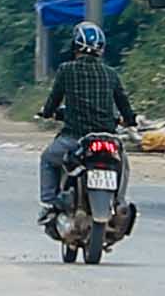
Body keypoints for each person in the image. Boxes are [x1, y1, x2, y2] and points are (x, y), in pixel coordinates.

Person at [38, 19, 132, 230]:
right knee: (123, 164)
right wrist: (129, 119)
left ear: (75, 46)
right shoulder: (111, 74)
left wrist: (48, 113)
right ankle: (119, 200)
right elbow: (124, 105)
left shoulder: (66, 70)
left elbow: (53, 101)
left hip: (75, 139)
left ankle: (50, 202)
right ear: (101, 49)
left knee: (47, 159)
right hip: (108, 139)